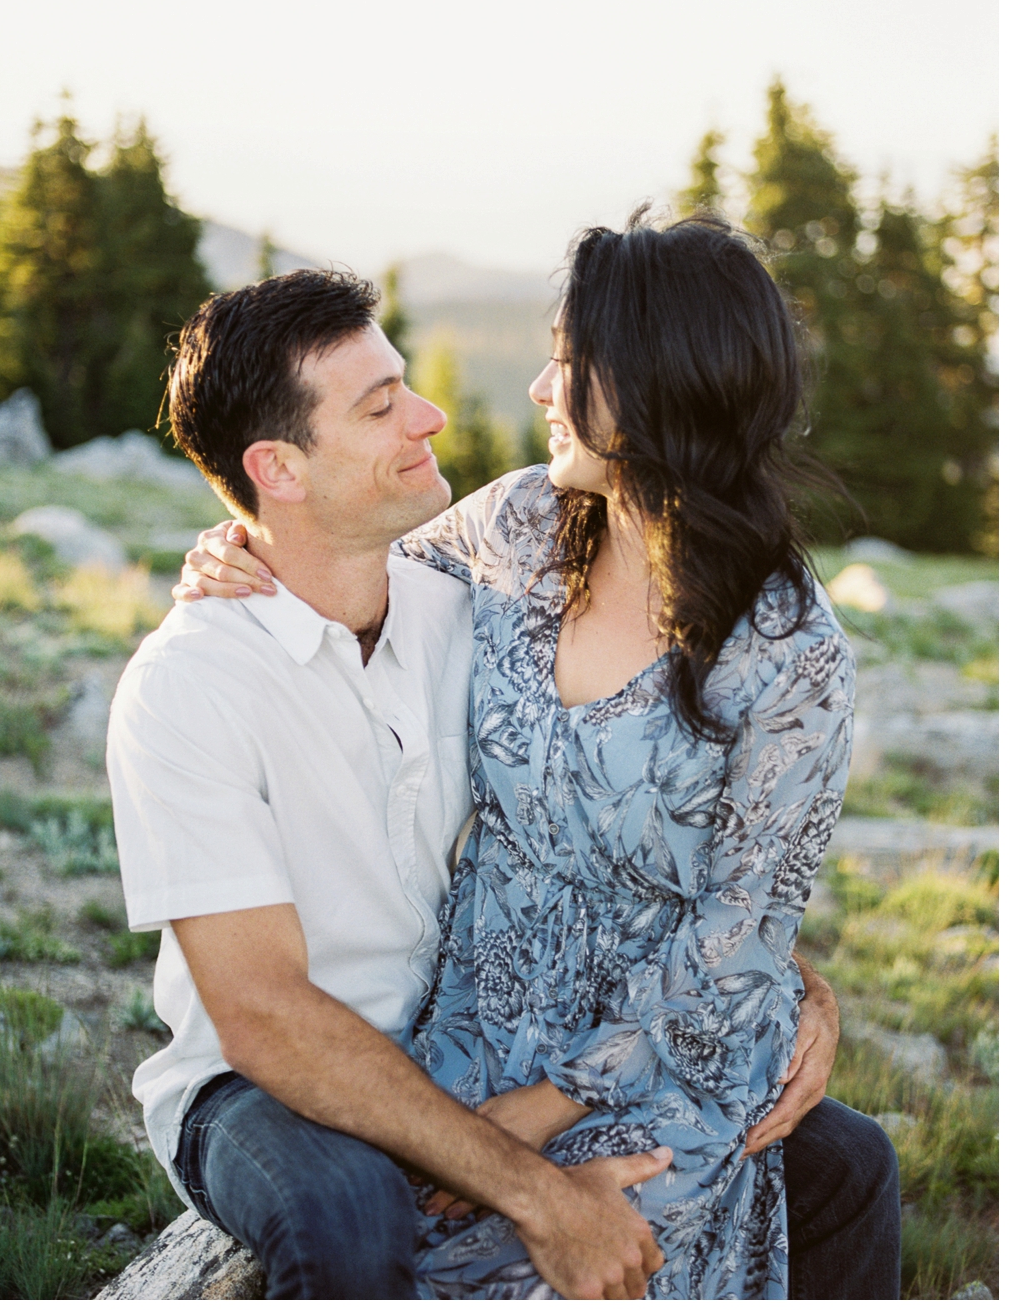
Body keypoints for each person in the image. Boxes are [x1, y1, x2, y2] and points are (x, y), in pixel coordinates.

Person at [122, 228, 898, 1297]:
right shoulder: (516, 535)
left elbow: (737, 930)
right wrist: (231, 541)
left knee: (782, 1190)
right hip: (424, 1036)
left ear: (658, 384)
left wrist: (783, 996)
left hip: (626, 1050)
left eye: (567, 361)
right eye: (379, 405)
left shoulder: (773, 651)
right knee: (379, 1225)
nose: (534, 387)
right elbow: (332, 554)